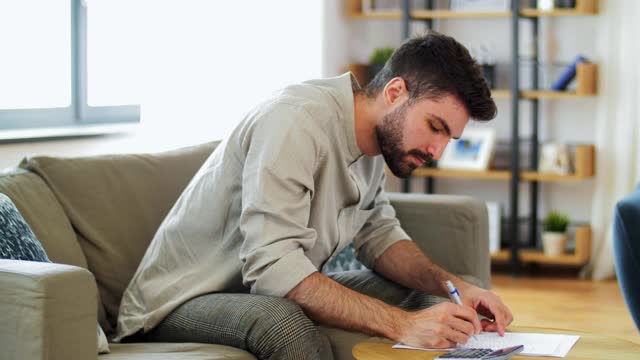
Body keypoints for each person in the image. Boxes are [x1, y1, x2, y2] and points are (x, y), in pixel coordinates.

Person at [115, 31, 513, 359]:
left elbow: (380, 237)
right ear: (395, 93)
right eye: (434, 126)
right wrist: (402, 324)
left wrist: (454, 286)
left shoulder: (377, 144)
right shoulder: (296, 121)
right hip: (183, 301)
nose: (436, 151)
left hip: (259, 293)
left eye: (450, 138)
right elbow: (271, 268)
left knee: (443, 304)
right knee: (283, 323)